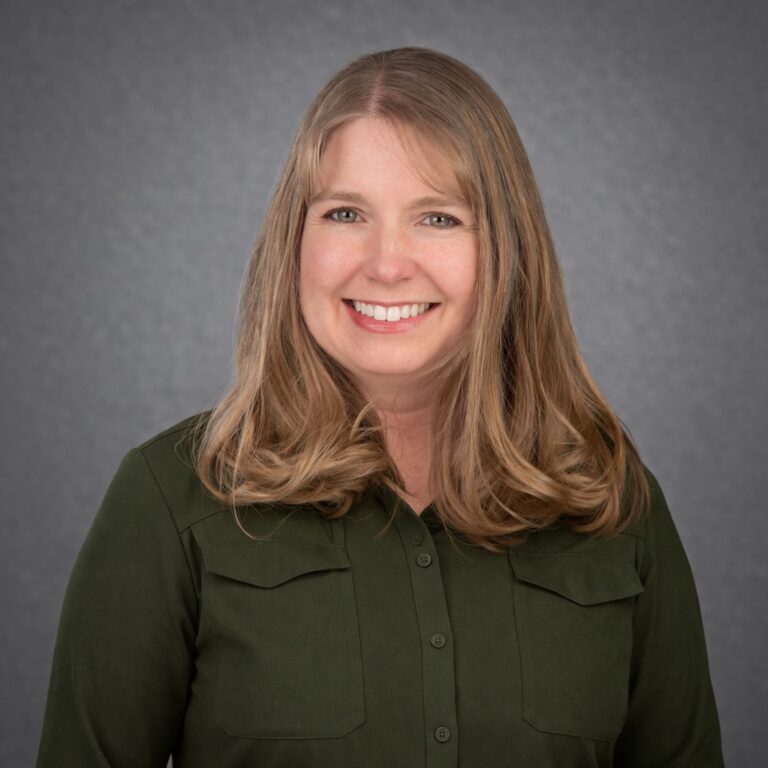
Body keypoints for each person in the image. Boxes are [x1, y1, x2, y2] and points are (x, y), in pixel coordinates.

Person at [36, 47, 724, 767]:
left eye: (439, 218)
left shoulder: (613, 499)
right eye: (345, 213)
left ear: (508, 251)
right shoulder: (169, 501)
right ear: (294, 244)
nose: (387, 262)